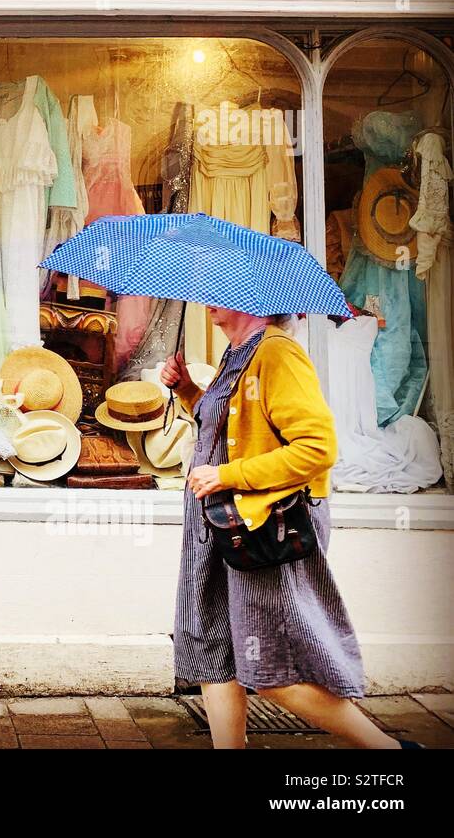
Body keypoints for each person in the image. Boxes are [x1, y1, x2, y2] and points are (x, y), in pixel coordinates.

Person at [161, 306, 416, 749]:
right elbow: (227, 425)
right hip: (219, 527)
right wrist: (186, 390)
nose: (210, 300)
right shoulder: (238, 353)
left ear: (253, 300)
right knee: (213, 653)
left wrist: (228, 475)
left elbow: (317, 448)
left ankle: (392, 750)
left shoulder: (278, 354)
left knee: (271, 667)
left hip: (263, 529)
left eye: (224, 289)